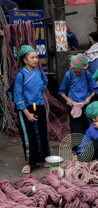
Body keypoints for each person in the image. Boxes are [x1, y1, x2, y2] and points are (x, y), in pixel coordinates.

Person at [13, 45, 50, 174]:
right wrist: (27, 113)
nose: (35, 60)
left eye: (36, 57)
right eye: (32, 57)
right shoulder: (20, 76)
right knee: (29, 136)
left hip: (39, 106)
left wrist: (38, 93)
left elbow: (44, 83)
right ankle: (29, 162)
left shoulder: (39, 73)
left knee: (42, 132)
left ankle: (44, 159)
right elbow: (18, 96)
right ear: (25, 60)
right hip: (26, 108)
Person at [58, 53, 98, 137]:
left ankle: (87, 147)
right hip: (74, 106)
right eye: (75, 70)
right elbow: (61, 91)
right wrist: (68, 100)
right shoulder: (68, 75)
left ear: (83, 68)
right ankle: (76, 148)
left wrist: (89, 98)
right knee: (76, 129)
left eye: (79, 70)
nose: (77, 72)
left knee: (87, 127)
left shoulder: (87, 75)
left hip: (86, 105)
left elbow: (94, 89)